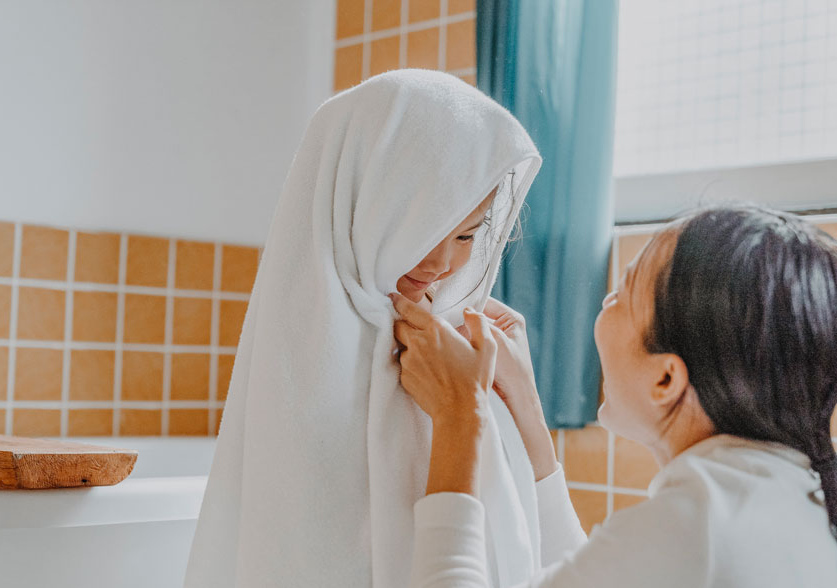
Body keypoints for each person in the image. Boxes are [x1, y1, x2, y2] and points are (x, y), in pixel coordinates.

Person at [183, 69, 547, 587]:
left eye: (468, 235)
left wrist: (513, 407)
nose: (443, 263)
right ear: (361, 206)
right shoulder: (302, 366)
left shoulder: (464, 354)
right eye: (424, 226)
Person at [393, 205, 837, 587]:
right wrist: (526, 407)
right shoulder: (782, 492)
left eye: (622, 295)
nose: (606, 301)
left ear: (666, 380)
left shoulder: (699, 519)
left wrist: (459, 415)